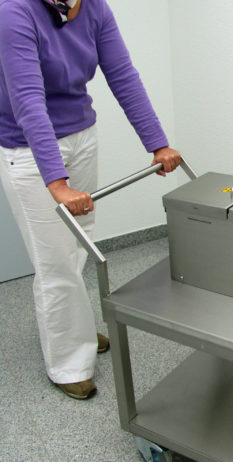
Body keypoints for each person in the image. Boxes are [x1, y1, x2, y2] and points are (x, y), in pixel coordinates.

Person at [0, 0, 181, 399]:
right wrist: (57, 181)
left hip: (82, 136)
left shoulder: (95, 8)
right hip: (31, 150)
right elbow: (28, 99)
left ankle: (74, 326)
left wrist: (158, 143)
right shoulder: (14, 11)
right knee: (54, 261)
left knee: (79, 245)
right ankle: (67, 363)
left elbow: (123, 76)